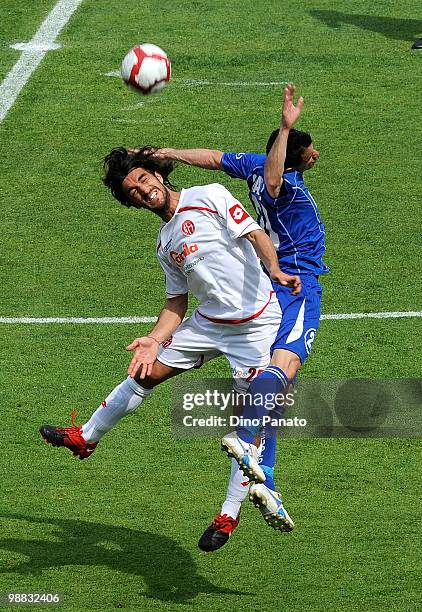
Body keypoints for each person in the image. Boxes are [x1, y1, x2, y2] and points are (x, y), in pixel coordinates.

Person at [39, 147, 301, 539]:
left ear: (158, 175)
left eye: (143, 180)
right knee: (146, 371)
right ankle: (86, 437)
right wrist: (154, 340)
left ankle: (228, 514)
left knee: (250, 424)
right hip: (209, 323)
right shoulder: (165, 243)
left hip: (256, 325)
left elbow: (255, 233)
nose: (143, 191)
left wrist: (275, 268)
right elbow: (176, 303)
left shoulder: (209, 196)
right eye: (133, 192)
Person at [155, 85, 329, 551]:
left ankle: (265, 474)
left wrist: (170, 151)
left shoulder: (252, 164)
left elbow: (213, 157)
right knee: (284, 368)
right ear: (291, 156)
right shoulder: (282, 182)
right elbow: (273, 182)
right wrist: (288, 126)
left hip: (265, 288)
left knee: (275, 385)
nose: (317, 155)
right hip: (296, 283)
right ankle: (247, 437)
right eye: (309, 150)